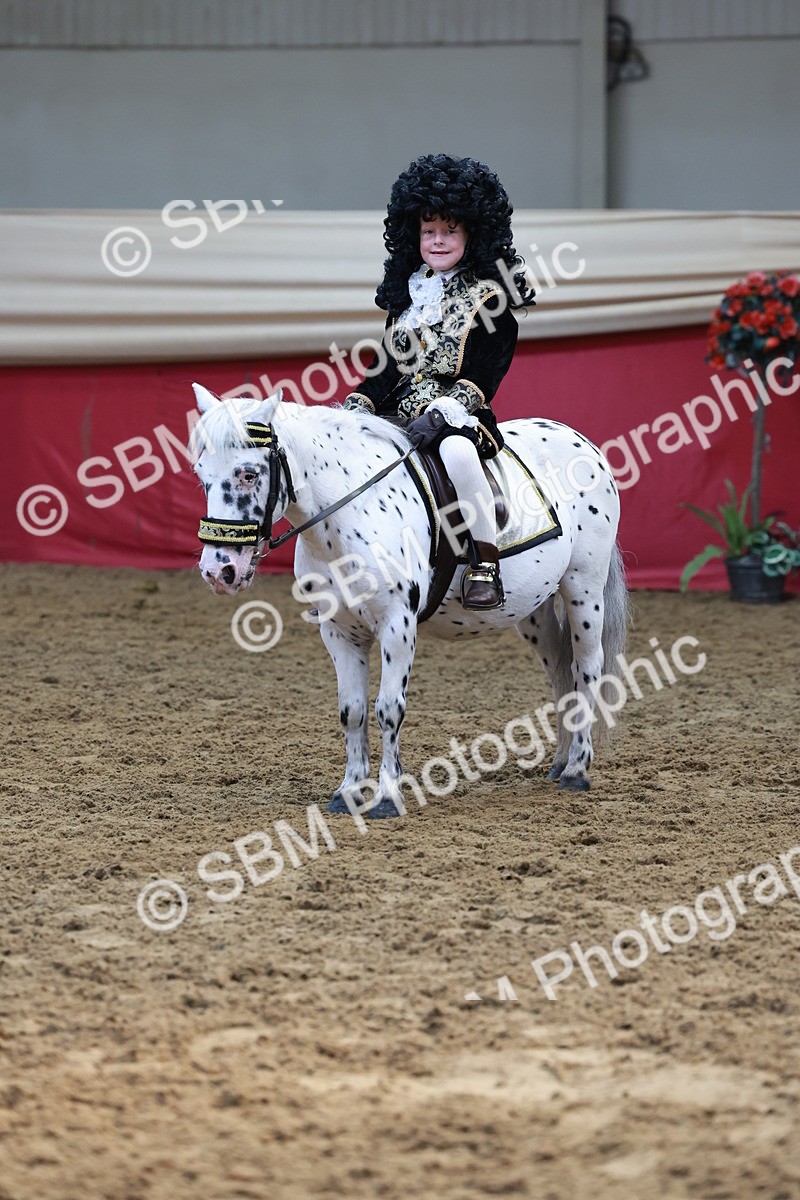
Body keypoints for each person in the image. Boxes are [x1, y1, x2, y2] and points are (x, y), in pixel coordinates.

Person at [343, 153, 535, 609]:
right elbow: (388, 368)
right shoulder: (409, 297)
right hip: (401, 413)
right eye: (429, 231)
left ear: (473, 233)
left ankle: (484, 561)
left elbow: (483, 378)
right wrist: (358, 405)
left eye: (450, 230)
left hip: (459, 415)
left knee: (457, 453)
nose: (438, 240)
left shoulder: (490, 299)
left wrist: (444, 411)